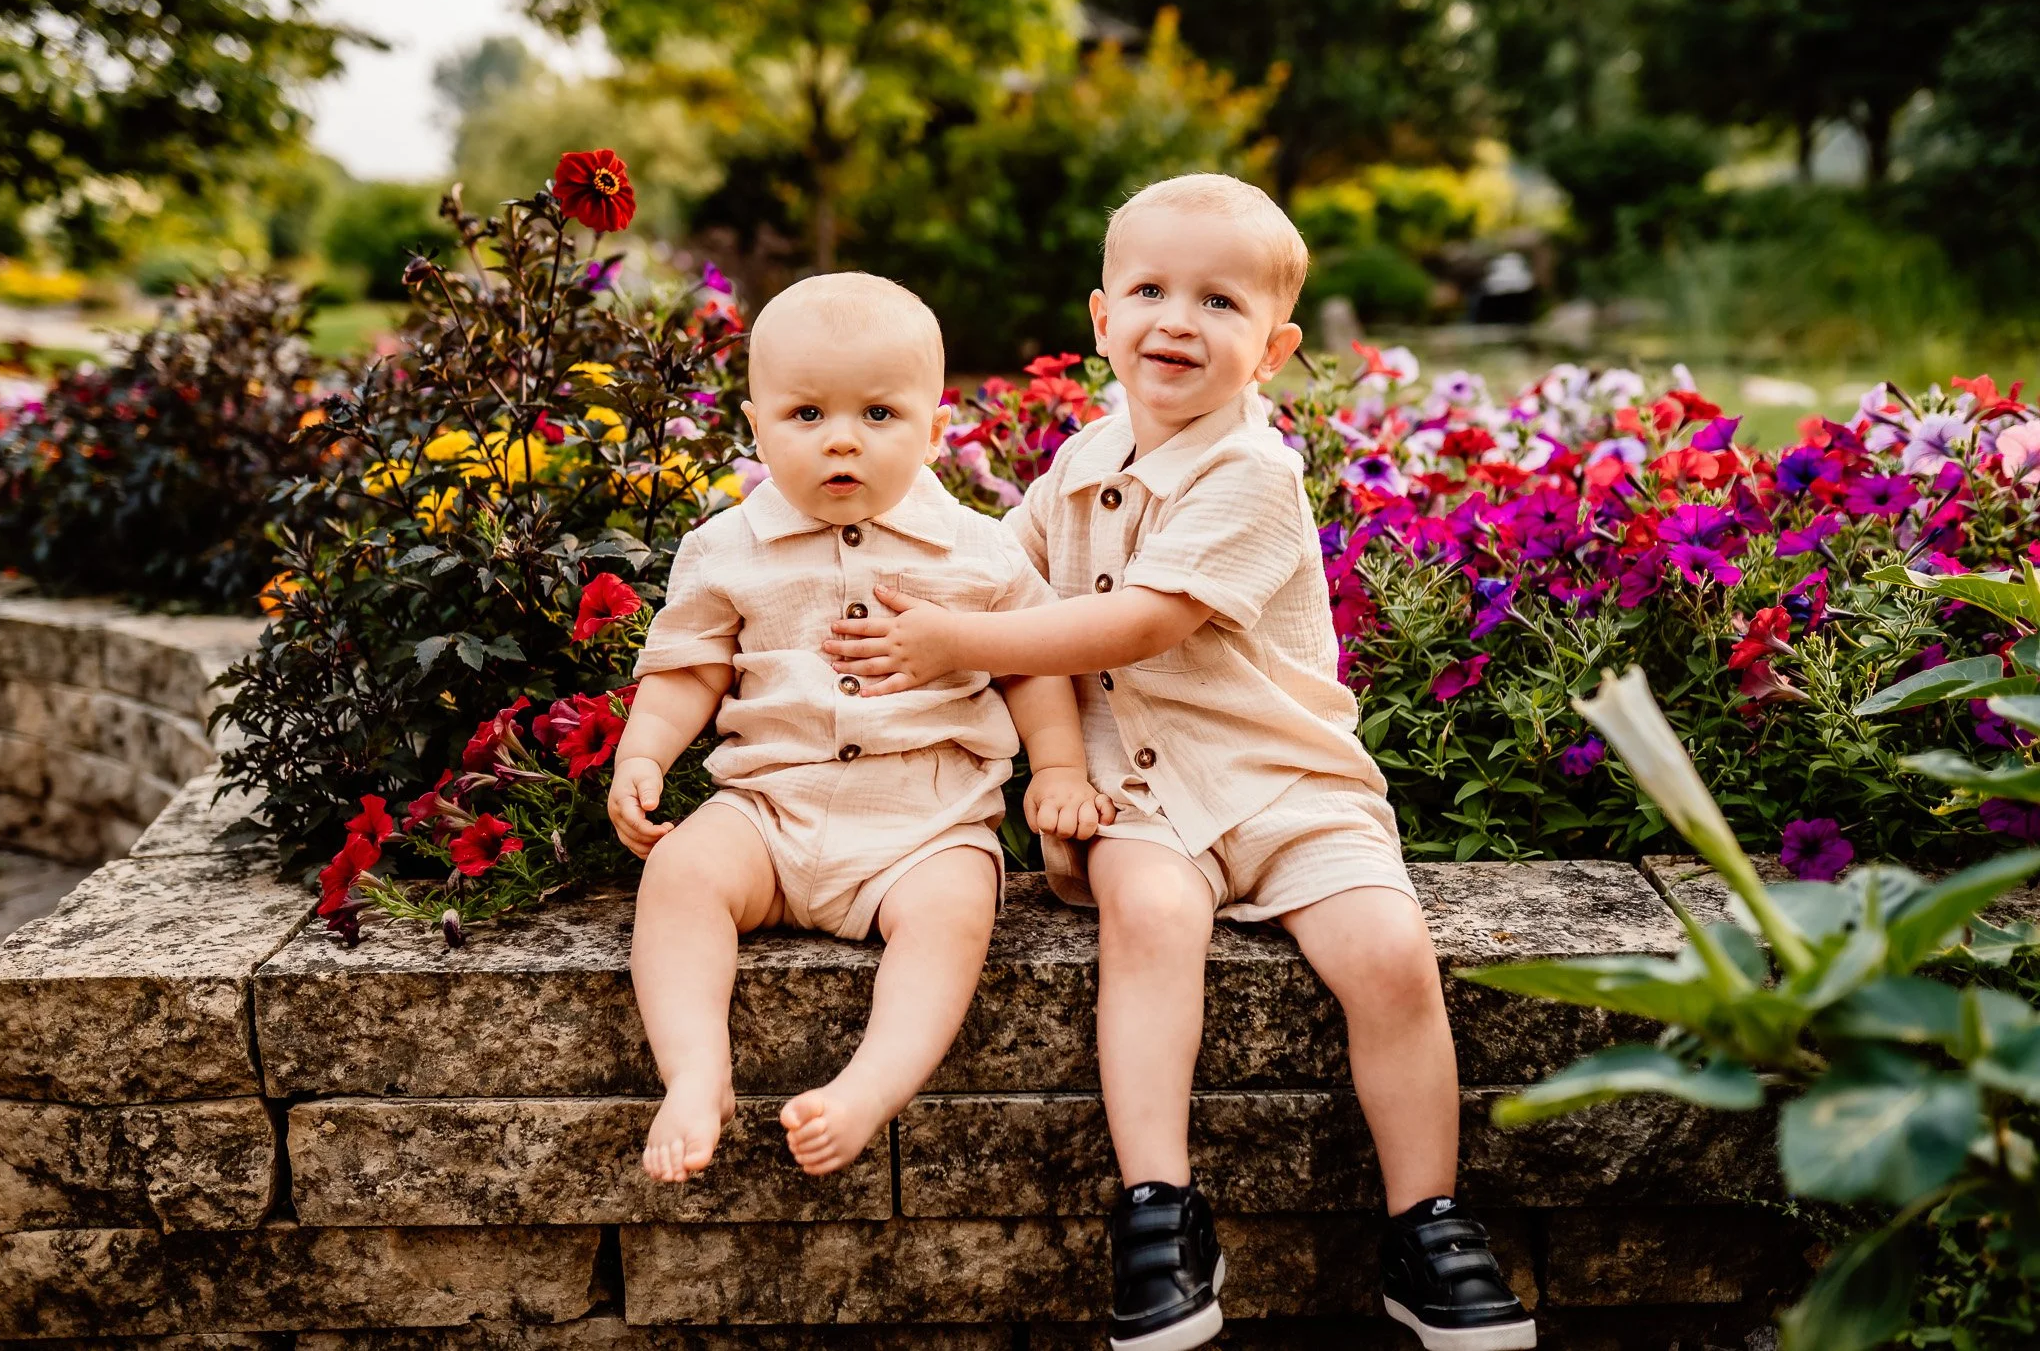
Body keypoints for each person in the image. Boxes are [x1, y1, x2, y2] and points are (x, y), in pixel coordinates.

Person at [823, 176, 1537, 1351]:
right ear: (1100, 320)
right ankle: (1157, 1211)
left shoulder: (1254, 475)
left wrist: (961, 642)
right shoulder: (1080, 459)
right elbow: (1007, 572)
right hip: (1141, 790)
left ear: (1273, 348)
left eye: (1217, 300)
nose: (1175, 320)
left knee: (1390, 954)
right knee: (1148, 921)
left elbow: (1139, 623)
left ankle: (1426, 1224)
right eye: (1148, 290)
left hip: (1285, 779)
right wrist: (895, 583)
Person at [609, 272, 1112, 1185]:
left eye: (878, 414)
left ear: (934, 425)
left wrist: (1061, 769)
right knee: (680, 876)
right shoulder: (726, 548)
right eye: (807, 414)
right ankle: (694, 1073)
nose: (841, 437)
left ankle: (870, 1087)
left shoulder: (976, 547)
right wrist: (642, 754)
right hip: (768, 811)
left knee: (956, 914)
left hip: (923, 824)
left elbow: (1032, 660)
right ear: (755, 423)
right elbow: (690, 668)